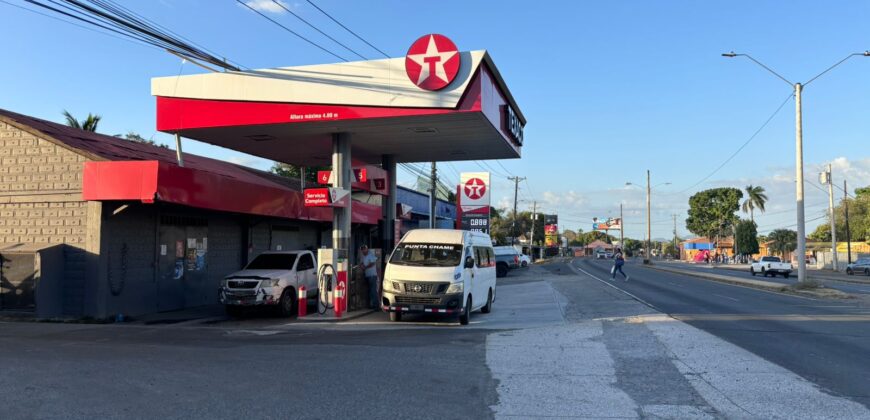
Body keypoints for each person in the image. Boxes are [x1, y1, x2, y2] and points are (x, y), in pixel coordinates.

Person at [359, 245, 379, 310]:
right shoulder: (363, 256)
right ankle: (371, 305)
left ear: (367, 249)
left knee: (373, 291)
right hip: (367, 275)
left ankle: (376, 306)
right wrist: (361, 265)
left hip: (372, 275)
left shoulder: (370, 255)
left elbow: (373, 263)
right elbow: (361, 263)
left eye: (364, 249)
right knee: (369, 291)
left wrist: (365, 267)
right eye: (362, 250)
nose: (363, 251)